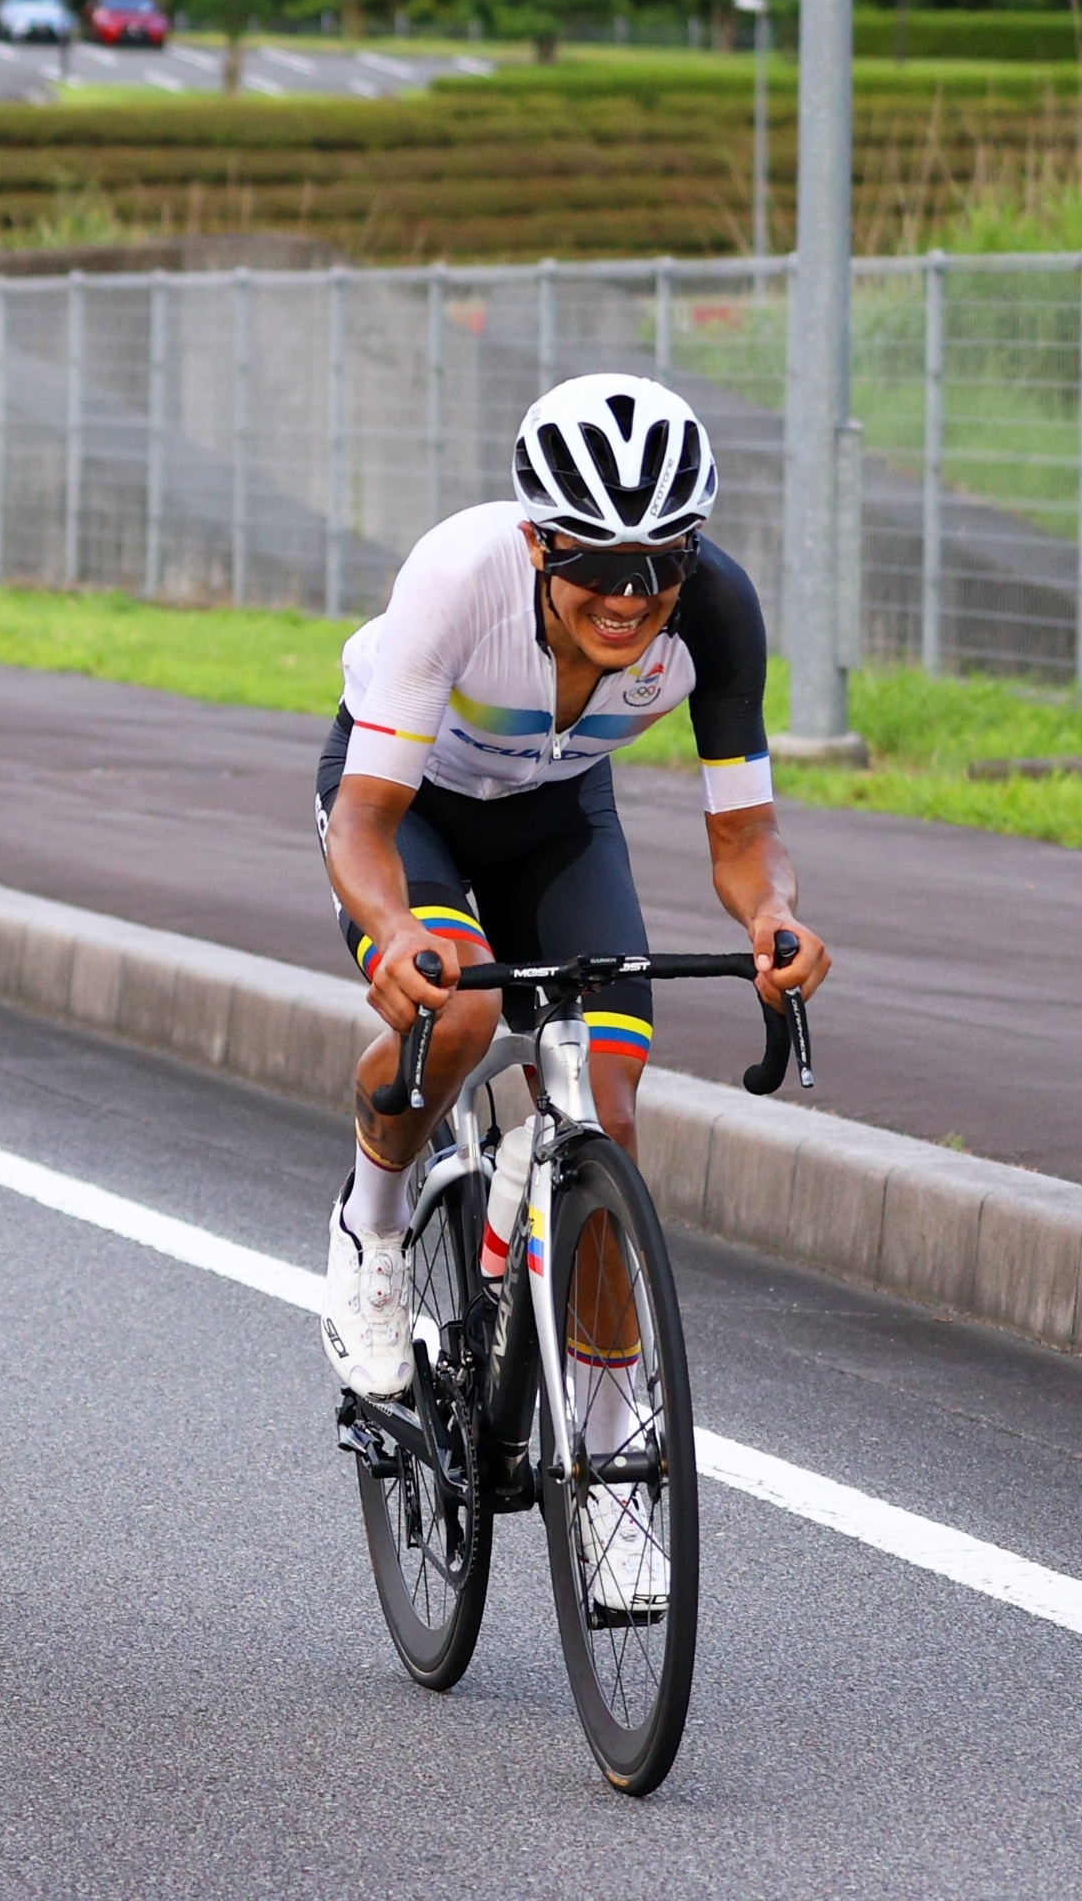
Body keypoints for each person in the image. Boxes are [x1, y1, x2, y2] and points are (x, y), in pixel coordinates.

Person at [317, 370, 833, 1402]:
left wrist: (772, 912)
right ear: (543, 541)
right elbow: (365, 818)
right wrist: (388, 924)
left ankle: (606, 1441)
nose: (631, 595)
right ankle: (370, 1224)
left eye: (660, 561)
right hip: (411, 803)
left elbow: (746, 830)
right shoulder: (463, 574)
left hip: (557, 815)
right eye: (598, 559)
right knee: (457, 1011)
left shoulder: (718, 609)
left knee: (610, 1109)